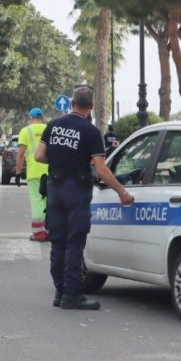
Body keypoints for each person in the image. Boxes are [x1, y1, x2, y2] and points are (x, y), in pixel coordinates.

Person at [34, 85, 134, 310]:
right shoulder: (90, 132)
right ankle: (71, 295)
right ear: (91, 107)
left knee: (58, 241)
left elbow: (39, 156)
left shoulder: (53, 125)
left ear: (71, 103)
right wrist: (122, 192)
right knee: (75, 242)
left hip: (54, 187)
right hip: (77, 190)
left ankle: (59, 292)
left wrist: (61, 159)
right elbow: (101, 170)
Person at [14, 107, 49, 242]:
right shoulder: (49, 128)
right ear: (42, 118)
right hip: (50, 171)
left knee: (36, 201)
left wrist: (18, 173)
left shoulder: (25, 131)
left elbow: (21, 154)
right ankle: (50, 230)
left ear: (30, 118)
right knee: (49, 201)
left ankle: (39, 232)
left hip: (34, 173)